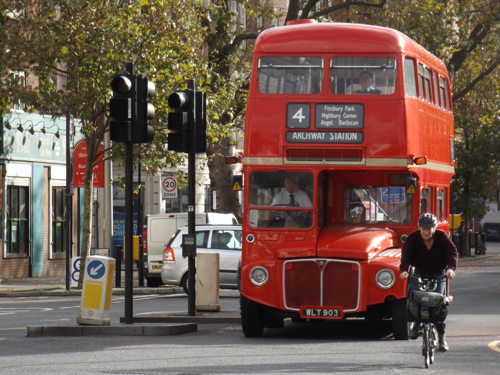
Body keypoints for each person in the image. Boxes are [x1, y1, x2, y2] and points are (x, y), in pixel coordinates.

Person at [399, 213, 458, 352]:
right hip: (418, 272)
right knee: (414, 297)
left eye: (429, 228)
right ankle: (416, 323)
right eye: (423, 228)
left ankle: (442, 337)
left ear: (435, 227)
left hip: (439, 273)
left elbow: (452, 253)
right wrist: (404, 270)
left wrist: (450, 269)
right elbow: (406, 255)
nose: (426, 232)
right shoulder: (413, 238)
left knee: (439, 303)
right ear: (419, 228)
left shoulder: (442, 237)